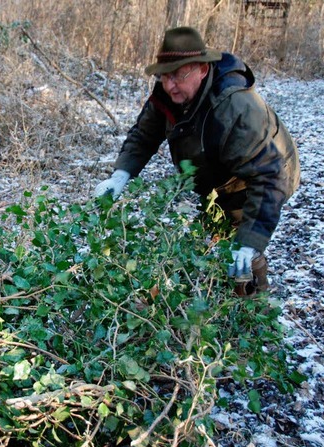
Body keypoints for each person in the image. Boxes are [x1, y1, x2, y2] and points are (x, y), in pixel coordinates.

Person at [94, 26, 300, 295]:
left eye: (178, 76)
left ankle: (252, 310)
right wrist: (120, 175)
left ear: (202, 69)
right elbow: (143, 136)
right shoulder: (169, 95)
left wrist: (250, 243)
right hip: (219, 176)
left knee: (240, 255)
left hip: (258, 175)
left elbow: (269, 177)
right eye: (164, 76)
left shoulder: (235, 110)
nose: (169, 85)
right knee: (208, 239)